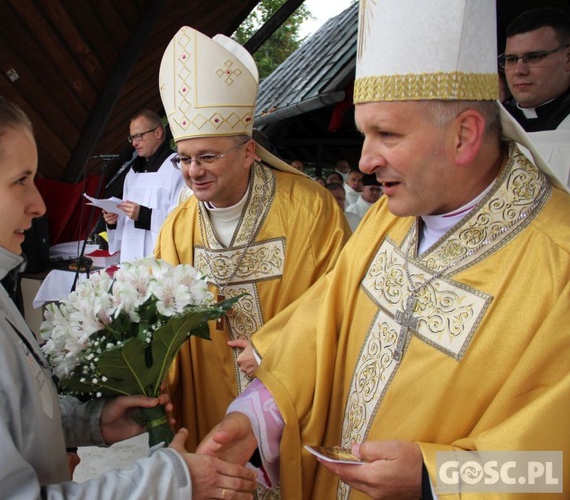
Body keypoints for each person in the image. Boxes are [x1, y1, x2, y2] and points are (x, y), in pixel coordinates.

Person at [197, 2, 570, 498]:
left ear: (464, 134)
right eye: (364, 134)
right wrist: (257, 413)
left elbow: (551, 465)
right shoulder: (388, 217)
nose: (367, 161)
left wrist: (435, 477)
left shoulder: (559, 262)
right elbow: (327, 319)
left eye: (387, 134)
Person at [0, 85, 257, 499]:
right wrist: (173, 481)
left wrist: (87, 422)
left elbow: (0, 410)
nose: (39, 204)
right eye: (20, 181)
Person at [154, 26, 350, 471]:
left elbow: (339, 298)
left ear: (248, 152)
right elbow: (161, 320)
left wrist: (272, 346)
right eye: (184, 159)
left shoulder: (308, 208)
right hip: (207, 398)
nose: (193, 172)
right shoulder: (178, 226)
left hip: (290, 393)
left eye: (208, 157)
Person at [103, 110, 185, 263]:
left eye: (139, 136)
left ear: (158, 132)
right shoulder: (132, 173)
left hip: (161, 259)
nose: (134, 143)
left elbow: (182, 221)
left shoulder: (177, 168)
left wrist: (144, 215)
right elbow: (126, 222)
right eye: (132, 138)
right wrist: (114, 221)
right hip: (130, 257)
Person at [501, 7, 570, 186]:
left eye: (534, 57)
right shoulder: (493, 125)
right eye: (511, 59)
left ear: (568, 59)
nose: (519, 71)